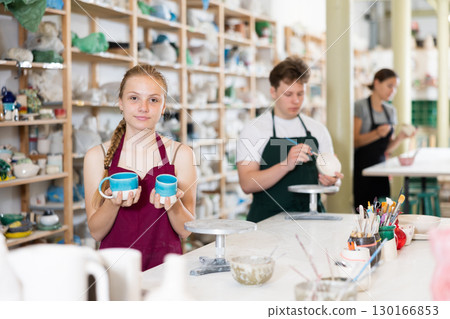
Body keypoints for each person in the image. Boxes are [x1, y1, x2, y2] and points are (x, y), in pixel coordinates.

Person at [84, 64, 196, 271]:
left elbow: (186, 231)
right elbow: (96, 232)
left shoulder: (181, 154)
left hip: (165, 270)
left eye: (153, 100)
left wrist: (173, 204)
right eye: (134, 98)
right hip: (115, 271)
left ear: (163, 107)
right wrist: (113, 202)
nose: (143, 107)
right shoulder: (96, 156)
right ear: (120, 103)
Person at [236, 56, 344, 223]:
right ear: (273, 92)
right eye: (288, 94)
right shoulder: (254, 130)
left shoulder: (317, 130)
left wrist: (331, 183)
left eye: (301, 94)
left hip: (311, 221)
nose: (296, 100)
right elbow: (246, 184)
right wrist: (285, 165)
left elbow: (334, 185)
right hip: (266, 222)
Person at [353, 68, 412, 208]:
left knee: (383, 211)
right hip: (363, 170)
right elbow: (355, 141)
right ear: (377, 83)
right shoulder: (360, 106)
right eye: (389, 85)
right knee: (364, 211)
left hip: (381, 168)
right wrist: (377, 133)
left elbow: (387, 148)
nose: (393, 91)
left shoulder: (391, 111)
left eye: (395, 87)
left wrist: (401, 137)